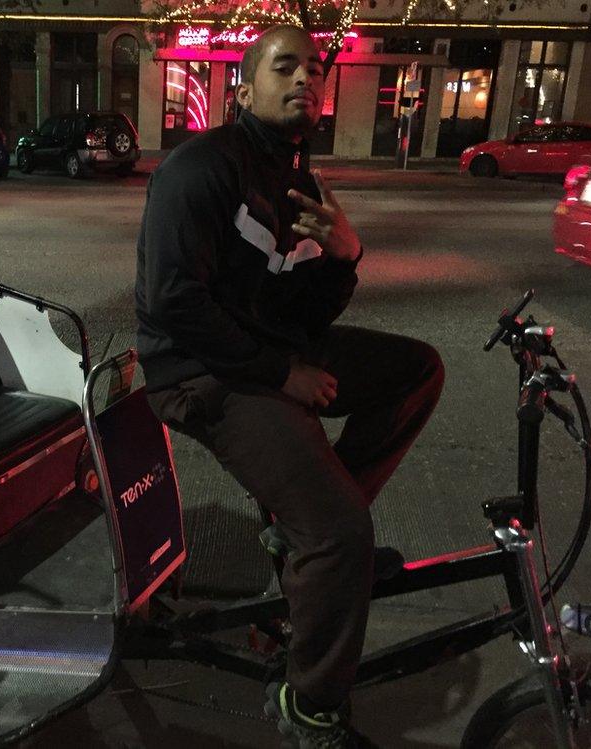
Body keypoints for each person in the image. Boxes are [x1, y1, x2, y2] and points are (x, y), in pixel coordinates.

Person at [134, 25, 444, 748]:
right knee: (340, 532)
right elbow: (172, 303)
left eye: (314, 68)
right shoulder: (198, 169)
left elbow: (305, 307)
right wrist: (284, 375)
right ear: (244, 89)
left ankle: (301, 538)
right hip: (198, 372)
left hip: (267, 352)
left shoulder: (298, 179)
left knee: (418, 369)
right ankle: (310, 703)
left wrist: (346, 254)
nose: (306, 78)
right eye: (285, 66)